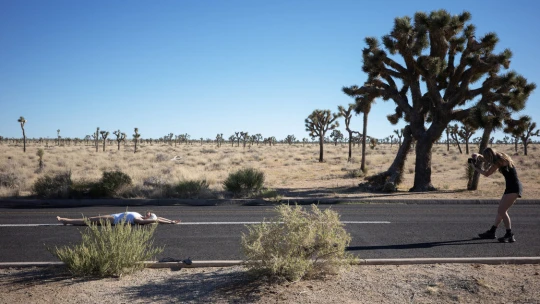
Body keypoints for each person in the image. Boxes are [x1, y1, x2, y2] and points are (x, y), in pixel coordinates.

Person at [470, 147, 522, 243]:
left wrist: (475, 168)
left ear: (490, 156)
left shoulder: (499, 162)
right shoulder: (501, 156)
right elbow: (487, 160)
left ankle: (509, 234)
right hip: (512, 187)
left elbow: (486, 173)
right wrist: (478, 156)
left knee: (502, 211)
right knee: (501, 211)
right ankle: (492, 231)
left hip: (514, 188)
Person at [56, 210, 180, 226]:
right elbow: (160, 217)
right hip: (113, 215)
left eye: (149, 215)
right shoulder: (139, 215)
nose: (148, 213)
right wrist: (171, 221)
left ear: (149, 218)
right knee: (90, 218)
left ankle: (65, 220)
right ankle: (65, 220)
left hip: (112, 220)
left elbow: (156, 219)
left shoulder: (139, 220)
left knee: (88, 221)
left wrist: (168, 223)